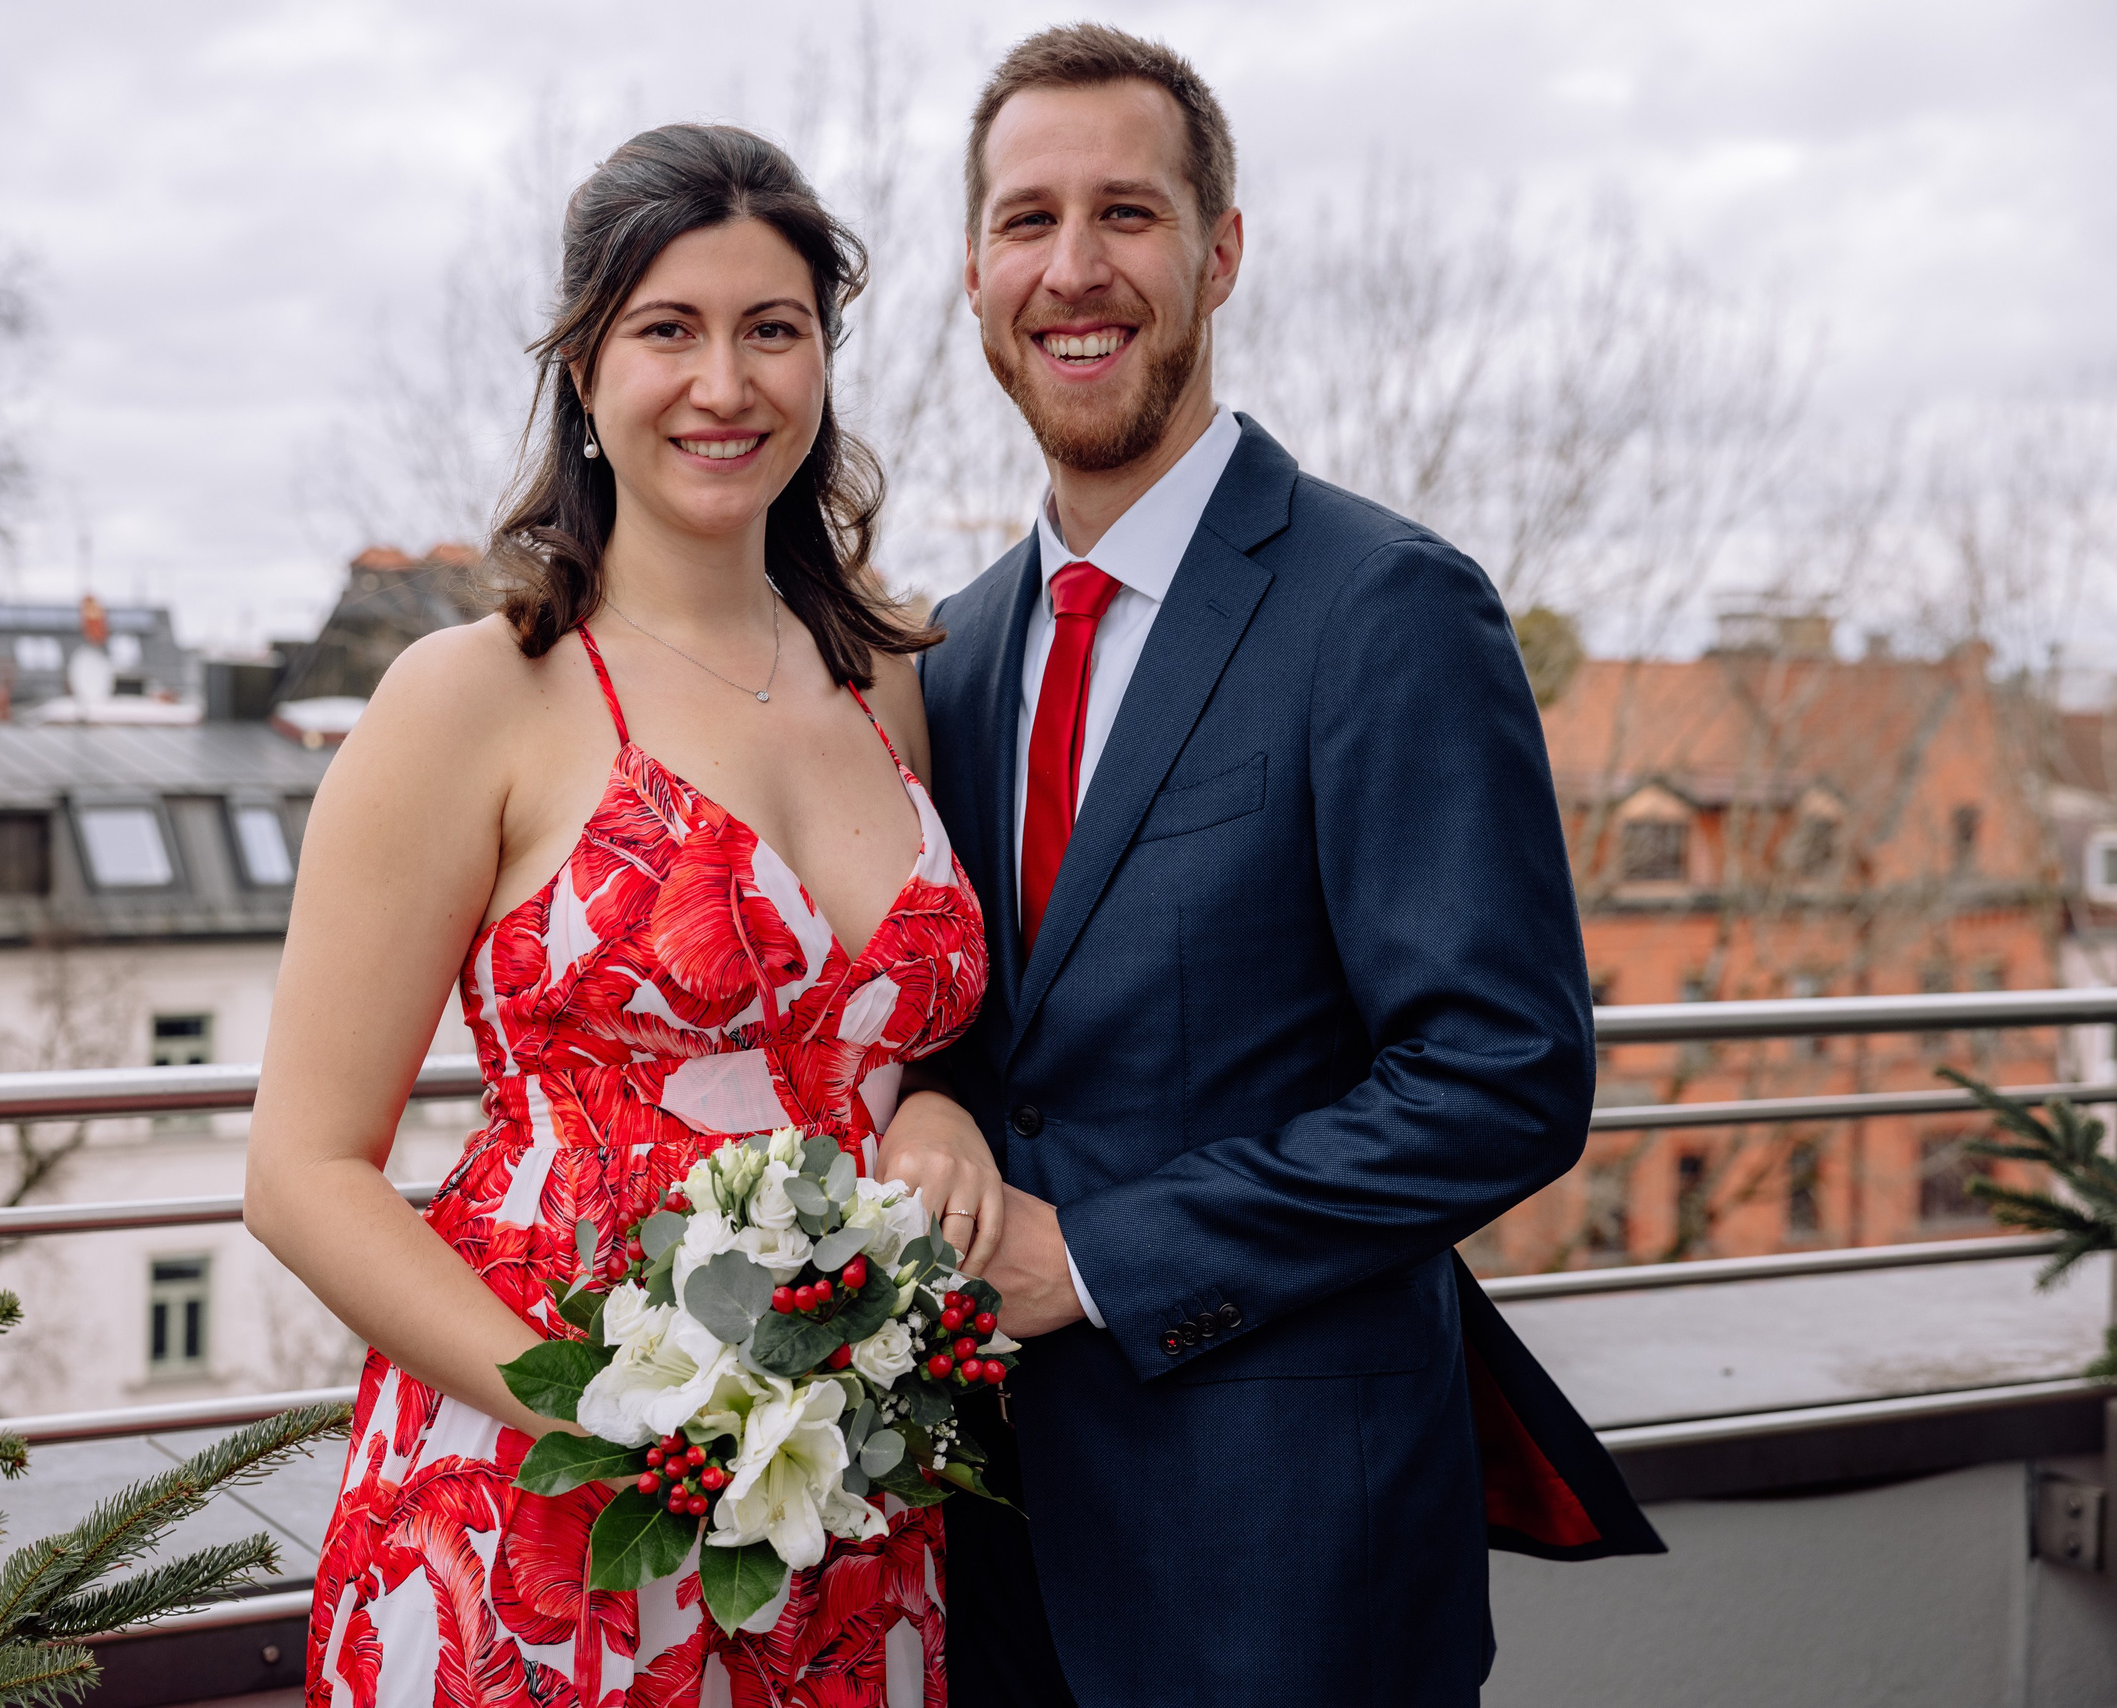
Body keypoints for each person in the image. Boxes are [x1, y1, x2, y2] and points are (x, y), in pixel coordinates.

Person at [912, 25, 1664, 1708]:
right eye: (1028, 221)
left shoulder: (1386, 608)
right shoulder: (947, 653)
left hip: (1287, 1566)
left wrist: (1098, 1261)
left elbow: (1504, 1078)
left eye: (1129, 213)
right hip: (986, 1546)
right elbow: (974, 1028)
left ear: (1220, 251)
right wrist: (931, 1103)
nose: (1074, 269)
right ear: (974, 272)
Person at [246, 125, 1003, 1706]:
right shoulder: (476, 695)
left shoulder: (890, 684)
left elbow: (897, 1032)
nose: (723, 383)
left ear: (822, 363)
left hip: (840, 1494)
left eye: (771, 329)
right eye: (669, 330)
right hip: (547, 1496)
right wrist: (594, 1408)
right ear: (586, 370)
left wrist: (941, 1109)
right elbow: (303, 1173)